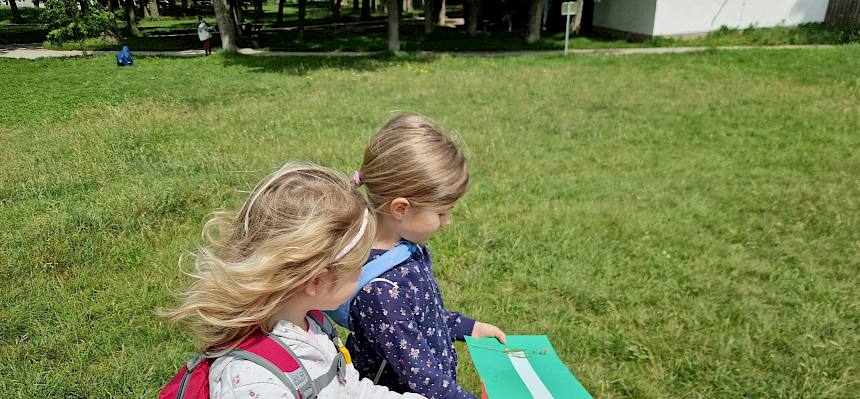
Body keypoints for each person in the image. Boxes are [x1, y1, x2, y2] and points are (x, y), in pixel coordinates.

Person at [161, 162, 426, 399]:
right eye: (360, 265)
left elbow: (349, 390)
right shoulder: (255, 381)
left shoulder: (313, 324)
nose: (366, 270)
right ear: (317, 282)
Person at [347, 115, 507, 399]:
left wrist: (470, 327)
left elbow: (425, 315)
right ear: (401, 209)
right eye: (441, 212)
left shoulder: (406, 249)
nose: (447, 222)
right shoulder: (382, 291)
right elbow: (421, 378)